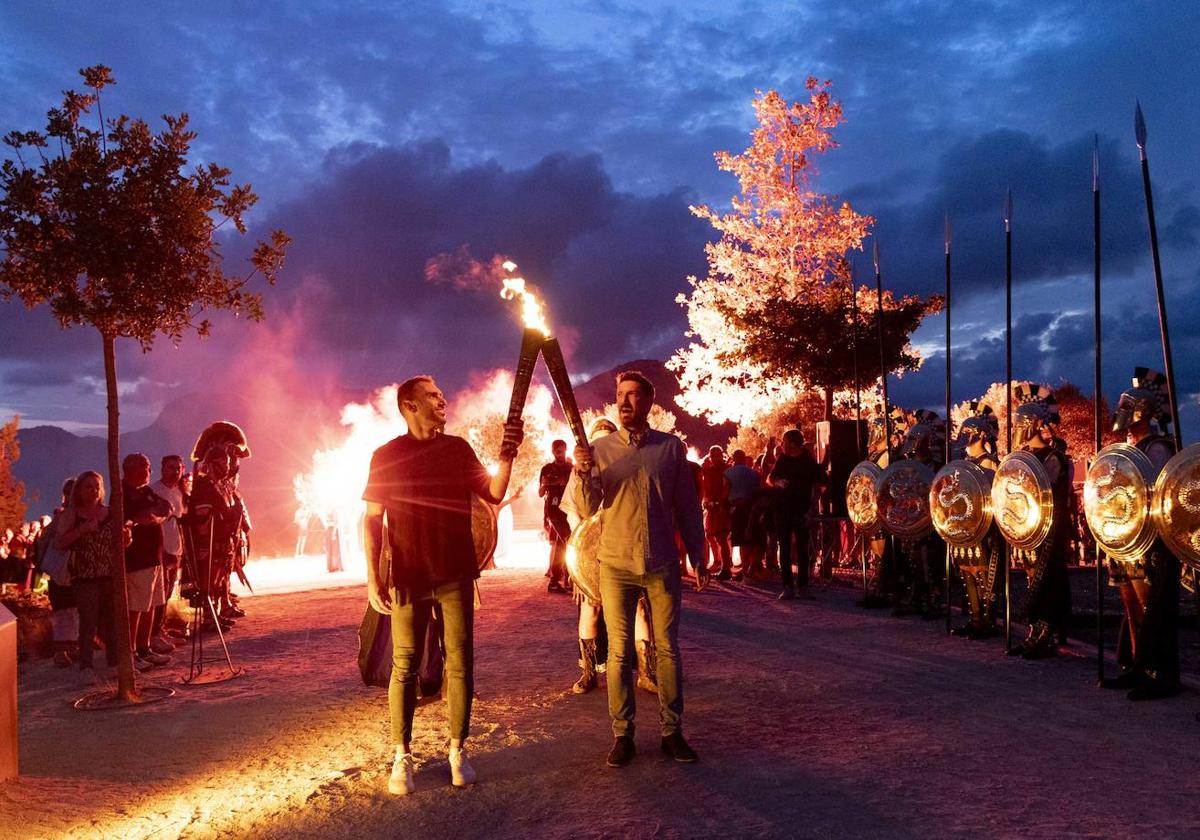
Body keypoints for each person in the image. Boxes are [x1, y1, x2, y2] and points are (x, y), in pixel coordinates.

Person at [363, 375, 523, 796]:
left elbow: (493, 491)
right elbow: (370, 519)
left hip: (455, 572)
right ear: (409, 405)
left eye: (441, 392)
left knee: (461, 661)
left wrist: (507, 456)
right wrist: (372, 577)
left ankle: (458, 750)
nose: (443, 399)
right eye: (433, 395)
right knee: (405, 664)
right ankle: (402, 756)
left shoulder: (457, 449)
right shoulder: (385, 456)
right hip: (409, 576)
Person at [572, 370, 708, 768]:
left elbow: (686, 506)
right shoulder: (598, 450)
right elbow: (585, 509)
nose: (625, 402)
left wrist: (698, 554)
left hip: (662, 561)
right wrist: (582, 473)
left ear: (650, 402)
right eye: (620, 395)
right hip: (615, 563)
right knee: (618, 652)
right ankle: (622, 734)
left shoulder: (671, 449)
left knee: (667, 650)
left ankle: (672, 731)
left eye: (633, 395)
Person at [561, 416, 658, 697]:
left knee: (640, 608)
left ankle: (646, 671)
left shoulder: (627, 464)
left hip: (626, 547)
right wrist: (583, 555)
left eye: (607, 436)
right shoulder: (580, 470)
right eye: (598, 437)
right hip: (591, 552)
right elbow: (574, 515)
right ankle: (588, 672)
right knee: (591, 608)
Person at [1101, 368, 1180, 700]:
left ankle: (1157, 672)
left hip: (1150, 539)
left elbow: (1159, 492)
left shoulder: (1158, 447)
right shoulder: (1124, 448)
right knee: (1131, 606)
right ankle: (1135, 665)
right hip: (1124, 537)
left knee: (1151, 607)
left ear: (1142, 412)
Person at [1007, 384, 1071, 660]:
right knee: (1031, 578)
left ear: (1033, 423)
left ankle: (1048, 633)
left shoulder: (1053, 457)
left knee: (1048, 581)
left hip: (1049, 530)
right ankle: (1034, 631)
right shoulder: (1021, 457)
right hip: (1026, 528)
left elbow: (1044, 492)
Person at [54, 471, 129, 679]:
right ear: (79, 490)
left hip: (110, 573)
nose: (94, 491)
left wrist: (126, 539)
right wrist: (82, 531)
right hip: (85, 576)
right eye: (88, 486)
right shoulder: (73, 514)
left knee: (112, 621)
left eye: (97, 486)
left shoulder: (110, 512)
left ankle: (114, 662)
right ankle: (86, 666)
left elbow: (119, 540)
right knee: (88, 622)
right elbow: (59, 542)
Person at [948, 402, 1002, 639]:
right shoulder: (963, 464)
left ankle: (987, 620)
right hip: (962, 526)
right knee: (966, 571)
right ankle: (974, 617)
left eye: (968, 433)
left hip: (982, 528)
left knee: (982, 573)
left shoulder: (989, 463)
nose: (964, 437)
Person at [122, 453, 173, 670]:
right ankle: (131, 653)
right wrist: (150, 516)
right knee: (136, 608)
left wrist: (154, 516)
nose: (149, 471)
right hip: (138, 559)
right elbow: (136, 519)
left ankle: (145, 648)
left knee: (151, 604)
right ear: (131, 469)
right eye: (146, 466)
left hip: (154, 558)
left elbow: (166, 508)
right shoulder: (124, 494)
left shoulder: (145, 491)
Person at [768, 429, 820, 601]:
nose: (782, 444)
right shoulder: (783, 459)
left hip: (801, 510)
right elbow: (770, 477)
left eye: (784, 441)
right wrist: (777, 482)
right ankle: (787, 586)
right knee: (784, 548)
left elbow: (817, 487)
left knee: (802, 550)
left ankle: (803, 586)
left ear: (792, 442)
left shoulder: (808, 462)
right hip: (782, 509)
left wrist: (811, 510)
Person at [149, 455, 187, 653]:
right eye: (171, 468)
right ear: (162, 468)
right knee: (159, 594)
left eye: (178, 468)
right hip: (163, 550)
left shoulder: (179, 492)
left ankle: (160, 629)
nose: (175, 471)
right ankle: (153, 634)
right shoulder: (155, 491)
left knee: (168, 591)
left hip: (177, 548)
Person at [39, 478, 78, 666]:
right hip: (61, 571)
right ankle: (61, 651)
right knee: (63, 611)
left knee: (73, 611)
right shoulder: (61, 517)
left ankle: (71, 648)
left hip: (74, 571)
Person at [539, 439, 573, 593]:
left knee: (562, 545)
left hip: (570, 510)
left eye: (563, 451)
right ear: (553, 451)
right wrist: (549, 484)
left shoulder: (571, 468)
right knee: (568, 540)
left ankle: (559, 580)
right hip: (554, 511)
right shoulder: (546, 469)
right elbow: (540, 493)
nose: (561, 454)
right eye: (558, 451)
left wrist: (565, 482)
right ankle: (564, 578)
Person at [725, 449, 762, 578]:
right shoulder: (754, 474)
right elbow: (759, 489)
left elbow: (726, 491)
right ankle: (752, 567)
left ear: (734, 458)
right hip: (753, 507)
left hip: (737, 508)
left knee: (741, 539)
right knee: (751, 538)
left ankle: (745, 568)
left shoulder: (728, 473)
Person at [699, 446, 735, 580]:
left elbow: (726, 488)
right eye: (713, 455)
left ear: (721, 455)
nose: (715, 458)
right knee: (711, 535)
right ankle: (720, 563)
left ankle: (726, 569)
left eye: (717, 455)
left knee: (721, 537)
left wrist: (721, 504)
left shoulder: (726, 469)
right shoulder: (708, 470)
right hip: (711, 507)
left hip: (721, 507)